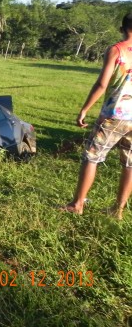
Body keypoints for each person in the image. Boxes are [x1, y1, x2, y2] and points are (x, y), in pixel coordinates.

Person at [62, 11, 132, 220]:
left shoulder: (116, 50)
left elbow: (102, 84)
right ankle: (118, 210)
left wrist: (84, 109)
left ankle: (77, 205)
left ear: (122, 28)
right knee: (130, 163)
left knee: (91, 157)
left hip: (114, 115)